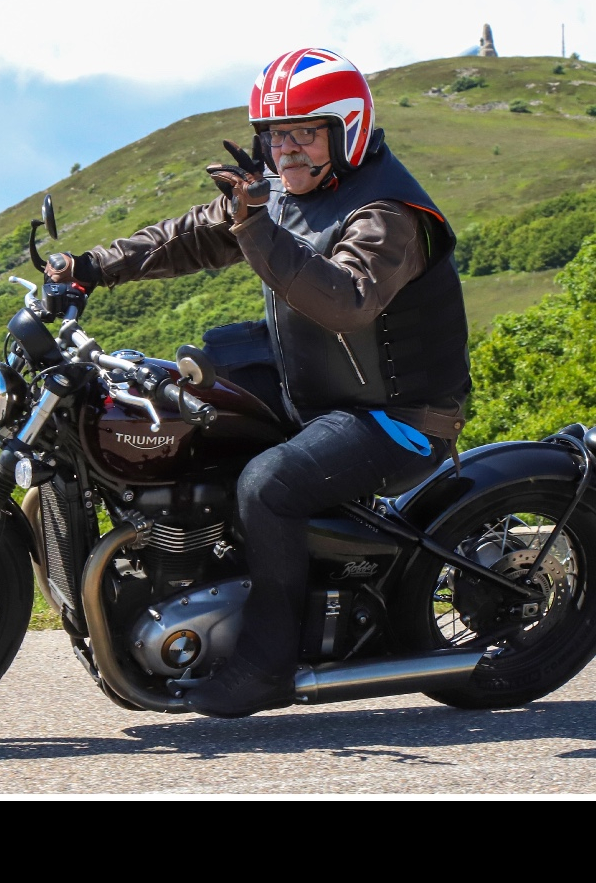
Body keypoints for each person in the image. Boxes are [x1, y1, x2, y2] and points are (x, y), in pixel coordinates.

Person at [44, 46, 472, 719]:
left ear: (347, 129)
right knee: (185, 410)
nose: (287, 150)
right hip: (320, 392)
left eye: (305, 133)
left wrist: (254, 223)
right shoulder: (283, 191)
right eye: (275, 135)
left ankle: (266, 665)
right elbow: (190, 236)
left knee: (268, 486)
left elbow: (344, 301)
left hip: (399, 416)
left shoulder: (387, 215)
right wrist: (91, 267)